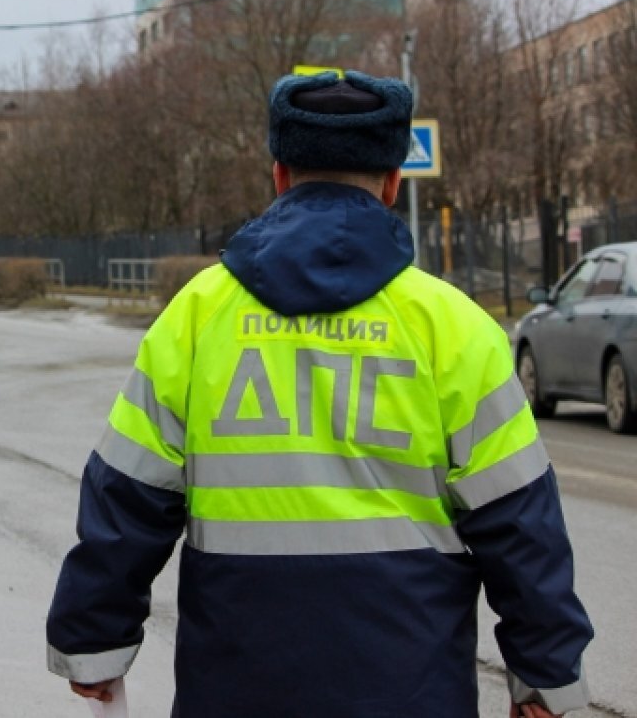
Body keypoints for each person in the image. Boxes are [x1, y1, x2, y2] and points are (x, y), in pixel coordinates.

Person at [45, 70, 594, 717]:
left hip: (236, 690)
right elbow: (521, 523)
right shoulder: (455, 327)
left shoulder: (196, 316)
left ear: (279, 174)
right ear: (393, 183)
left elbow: (127, 498)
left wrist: (94, 641)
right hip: (413, 692)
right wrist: (547, 678)